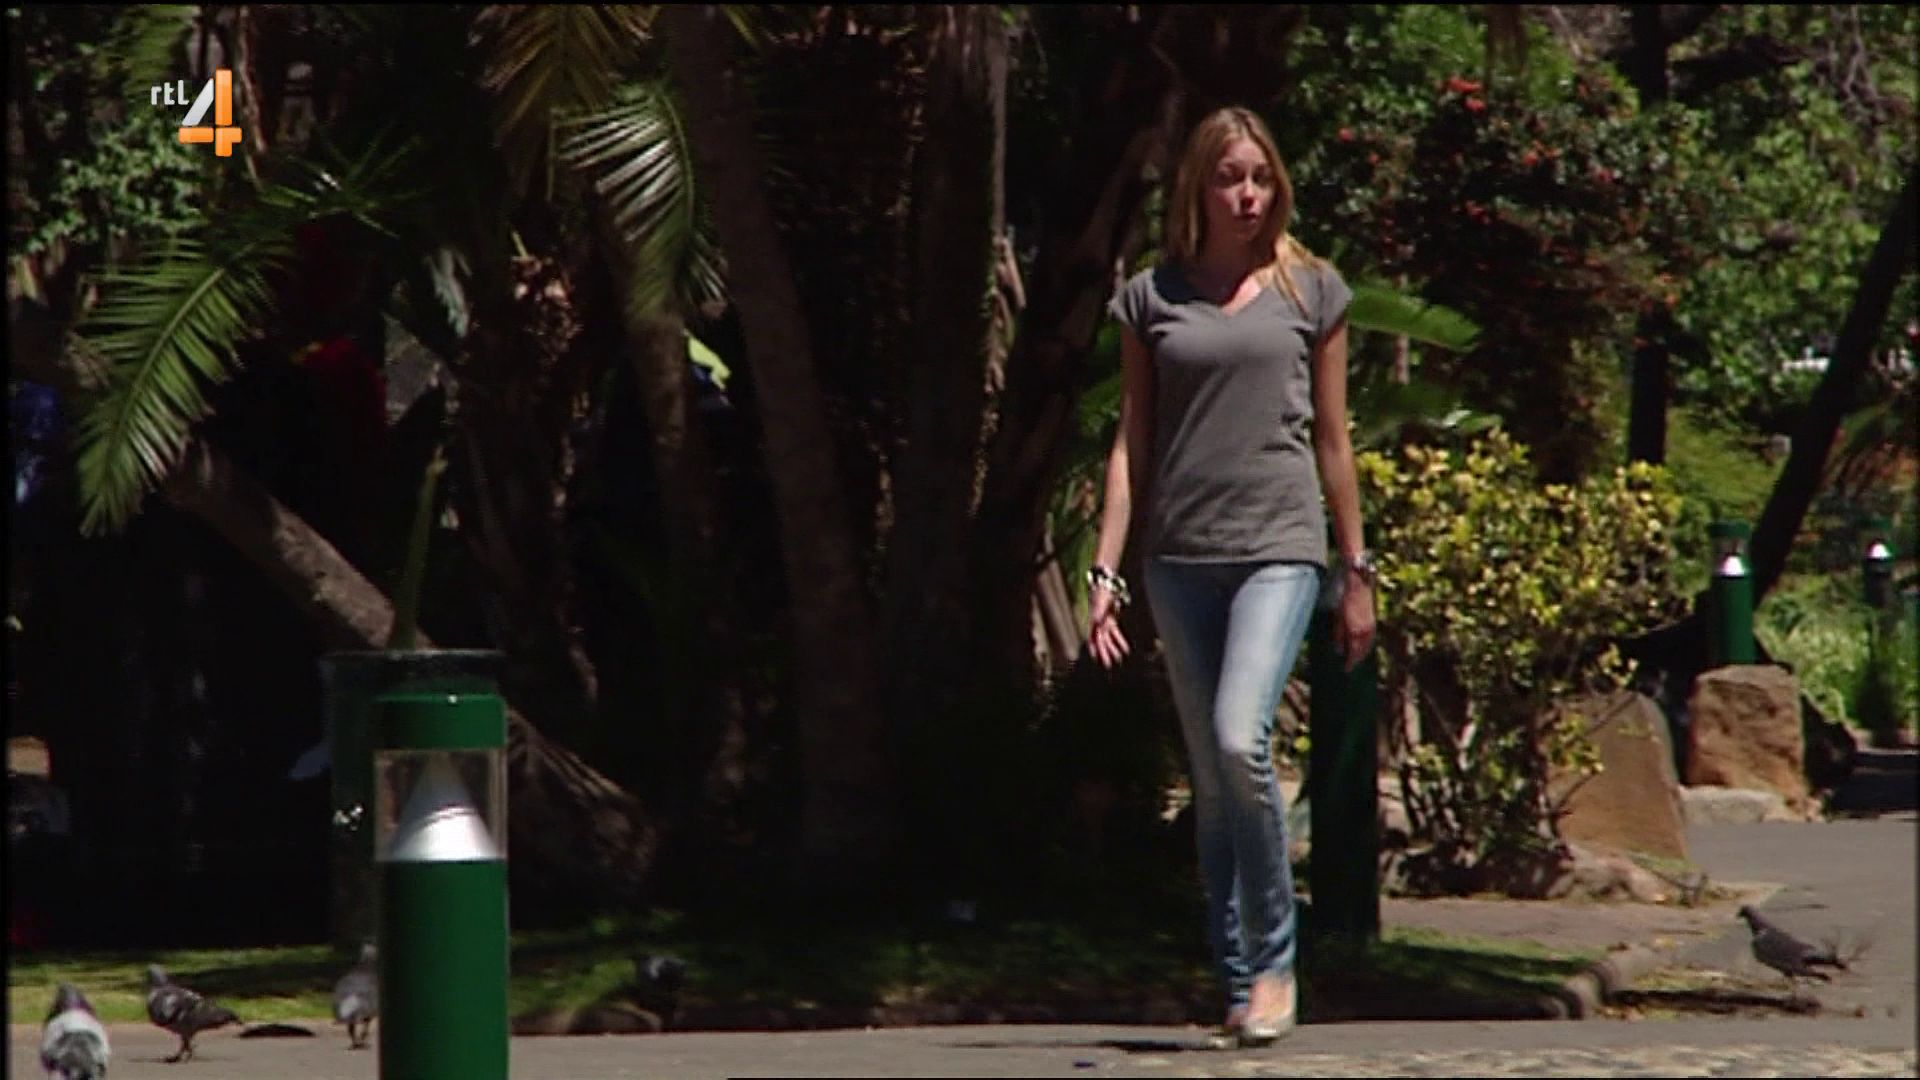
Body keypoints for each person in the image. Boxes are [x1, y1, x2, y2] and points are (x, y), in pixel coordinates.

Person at [1086, 105, 1377, 1047]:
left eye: (1259, 177)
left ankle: (1277, 966)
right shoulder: (1152, 298)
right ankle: (1238, 978)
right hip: (1179, 558)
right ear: (1198, 188)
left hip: (1279, 548)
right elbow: (1131, 441)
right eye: (1228, 178)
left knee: (1237, 737)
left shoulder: (1312, 290)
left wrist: (1357, 569)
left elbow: (1333, 439)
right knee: (1212, 780)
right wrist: (1105, 571)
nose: (1247, 195)